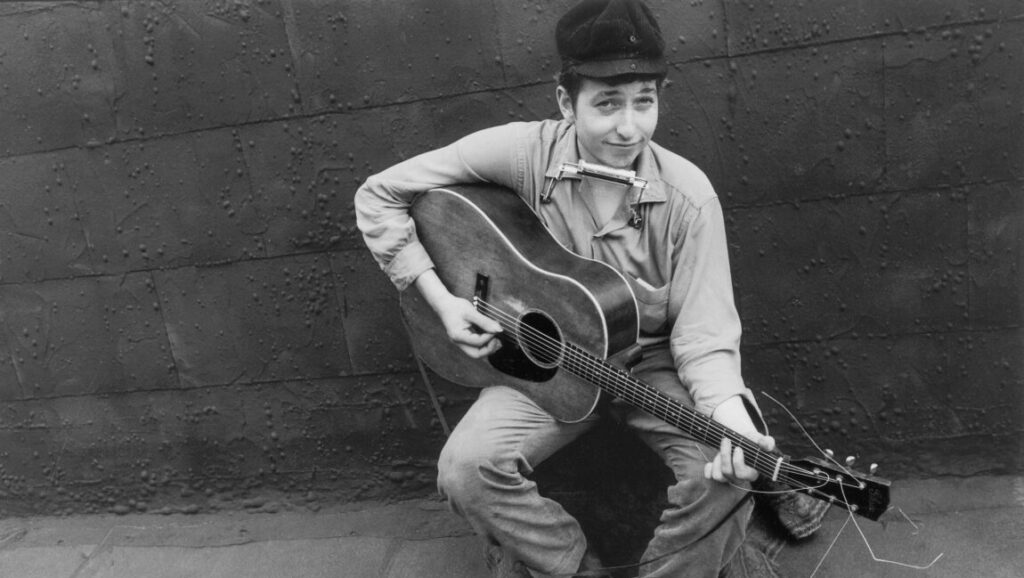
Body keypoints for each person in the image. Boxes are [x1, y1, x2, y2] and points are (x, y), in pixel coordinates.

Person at [355, 0, 776, 575]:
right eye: (606, 104)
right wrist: (444, 302)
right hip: (545, 366)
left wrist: (729, 413)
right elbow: (380, 195)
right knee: (464, 470)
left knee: (728, 470)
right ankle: (575, 569)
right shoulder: (524, 153)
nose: (629, 127)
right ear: (565, 101)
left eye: (643, 102)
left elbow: (705, 336)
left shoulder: (689, 198)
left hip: (649, 366)